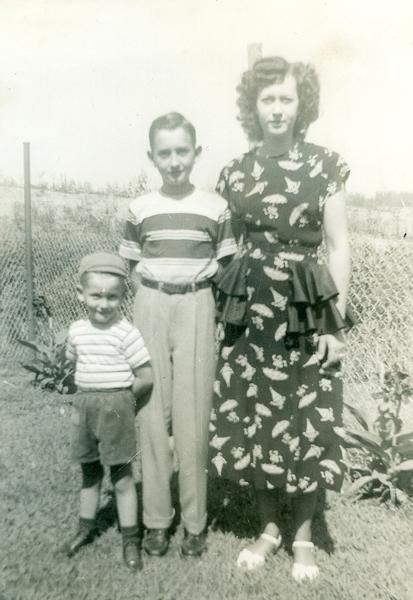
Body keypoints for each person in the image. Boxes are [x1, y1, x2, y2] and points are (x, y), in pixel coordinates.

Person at [209, 56, 351, 582]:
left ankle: (304, 535)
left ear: (300, 104)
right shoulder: (235, 171)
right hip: (252, 310)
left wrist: (334, 324)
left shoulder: (325, 166)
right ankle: (269, 528)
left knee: (307, 413)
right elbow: (226, 246)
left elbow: (338, 245)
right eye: (267, 99)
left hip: (305, 307)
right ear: (254, 106)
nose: (276, 109)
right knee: (258, 414)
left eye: (285, 98)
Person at [119, 112, 237, 558]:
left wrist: (195, 297)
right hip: (151, 303)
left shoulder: (215, 207)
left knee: (193, 416)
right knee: (151, 412)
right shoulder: (139, 209)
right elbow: (133, 263)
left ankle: (194, 522)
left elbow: (225, 265)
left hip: (196, 304)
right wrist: (154, 295)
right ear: (151, 156)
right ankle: (155, 521)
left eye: (182, 151)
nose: (174, 162)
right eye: (164, 153)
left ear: (196, 153)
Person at [65, 252, 153, 572]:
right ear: (81, 294)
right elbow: (73, 361)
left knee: (122, 477)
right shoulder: (76, 331)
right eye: (96, 296)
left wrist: (124, 402)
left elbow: (146, 376)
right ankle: (85, 529)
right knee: (89, 472)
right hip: (85, 406)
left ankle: (131, 539)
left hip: (117, 407)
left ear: (122, 296)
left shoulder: (126, 333)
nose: (103, 304)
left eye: (112, 297)